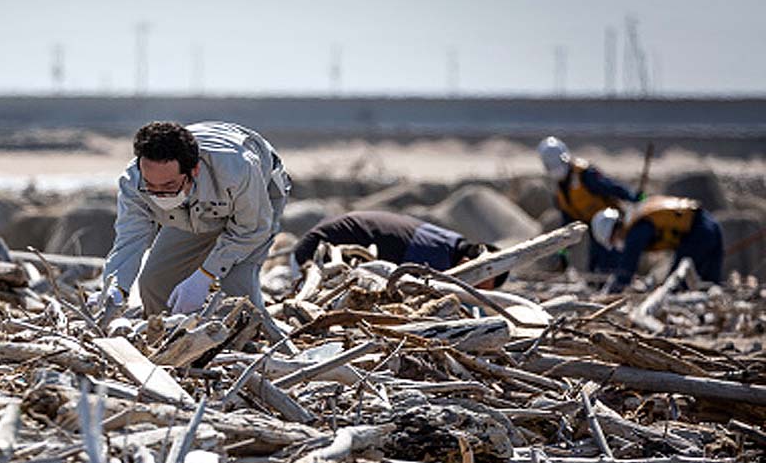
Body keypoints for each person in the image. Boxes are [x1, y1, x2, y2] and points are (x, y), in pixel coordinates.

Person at [96, 120, 290, 315]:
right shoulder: (133, 181)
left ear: (194, 170)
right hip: (191, 211)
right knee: (154, 282)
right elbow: (129, 239)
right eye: (151, 186)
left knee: (237, 288)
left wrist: (205, 275)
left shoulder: (239, 170)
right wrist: (115, 287)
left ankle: (251, 337)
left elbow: (251, 229)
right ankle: (169, 337)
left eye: (169, 186)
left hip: (258, 197)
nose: (158, 195)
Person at [291, 210, 508, 289]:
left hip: (314, 248)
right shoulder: (434, 256)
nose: (472, 287)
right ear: (468, 262)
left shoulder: (447, 241)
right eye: (476, 280)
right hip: (313, 262)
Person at [538, 136, 639, 272]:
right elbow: (567, 222)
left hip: (610, 224)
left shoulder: (585, 174)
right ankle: (598, 283)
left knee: (610, 259)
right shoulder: (560, 191)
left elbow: (611, 187)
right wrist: (563, 252)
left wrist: (633, 197)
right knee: (595, 263)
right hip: (594, 228)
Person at [590, 195, 723, 293]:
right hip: (709, 223)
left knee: (677, 285)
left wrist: (609, 293)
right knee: (709, 281)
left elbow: (627, 269)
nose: (616, 244)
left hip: (698, 232)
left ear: (613, 230)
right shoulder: (637, 217)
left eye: (613, 240)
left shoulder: (635, 230)